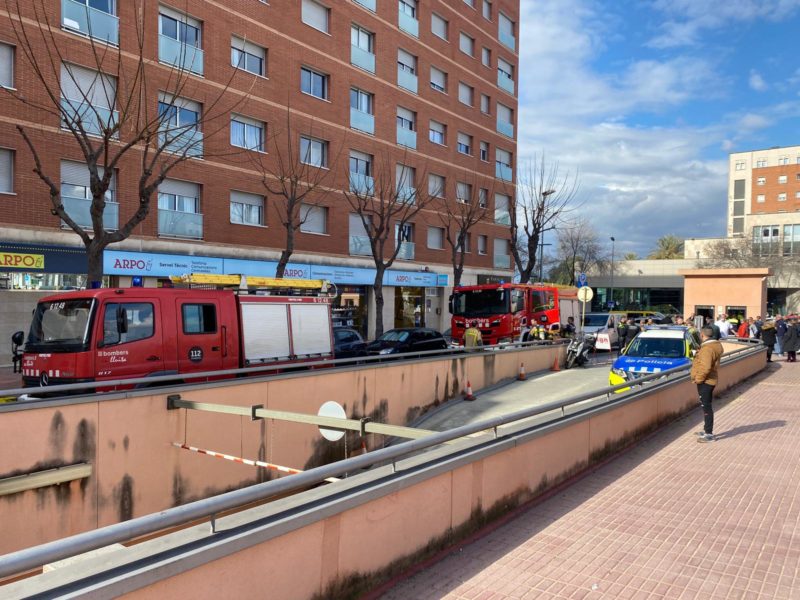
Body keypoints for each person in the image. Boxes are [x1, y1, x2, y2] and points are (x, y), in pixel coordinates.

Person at [691, 326, 724, 443]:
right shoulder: (714, 345)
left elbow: (705, 367)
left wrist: (698, 379)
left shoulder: (707, 349)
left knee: (706, 407)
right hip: (709, 380)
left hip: (706, 381)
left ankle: (709, 434)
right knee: (706, 405)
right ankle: (706, 430)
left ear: (702, 335)